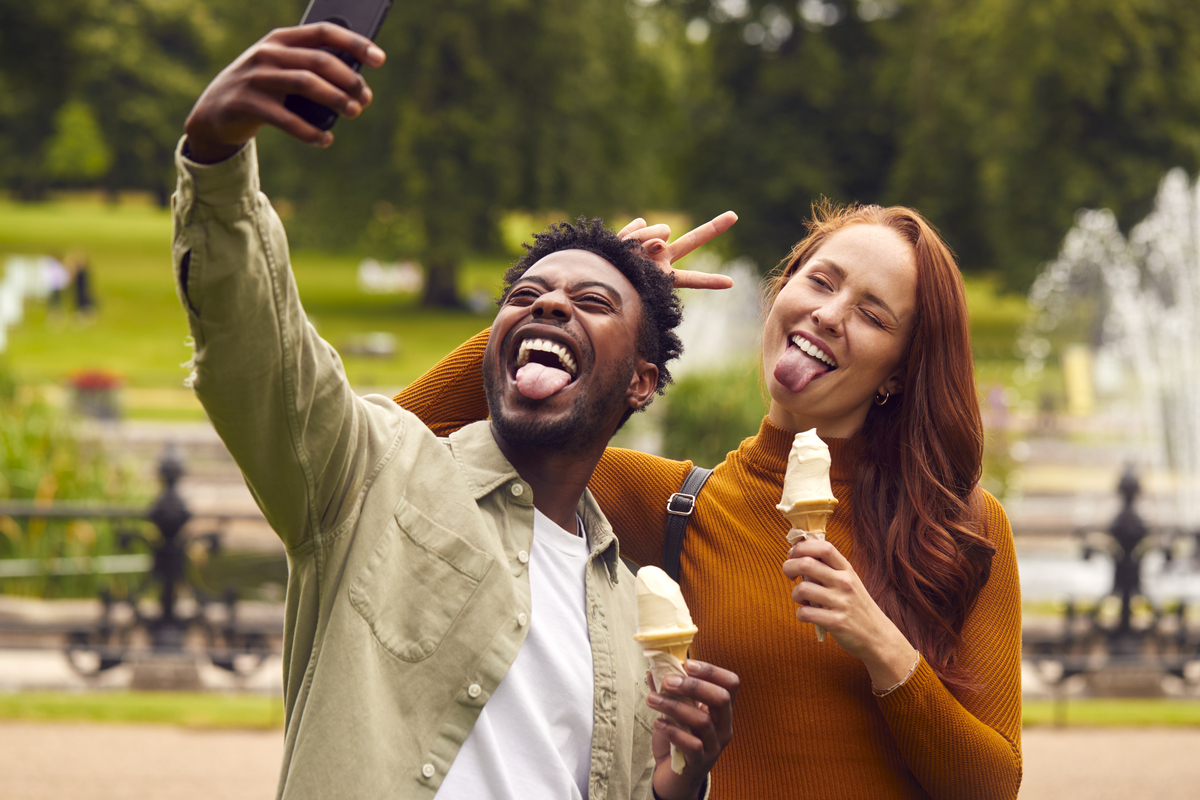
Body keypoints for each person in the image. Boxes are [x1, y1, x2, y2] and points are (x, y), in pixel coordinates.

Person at [173, 23, 739, 800]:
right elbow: (257, 352)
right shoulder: (372, 473)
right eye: (526, 298)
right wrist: (215, 158)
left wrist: (682, 781)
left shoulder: (626, 607)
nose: (548, 308)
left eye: (591, 301)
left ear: (642, 383)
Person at [398, 203, 1023, 799]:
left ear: (899, 372)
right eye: (821, 282)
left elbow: (992, 787)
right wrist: (566, 305)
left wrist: (881, 645)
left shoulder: (961, 526)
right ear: (778, 295)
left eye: (873, 315)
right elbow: (403, 450)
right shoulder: (675, 506)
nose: (830, 315)